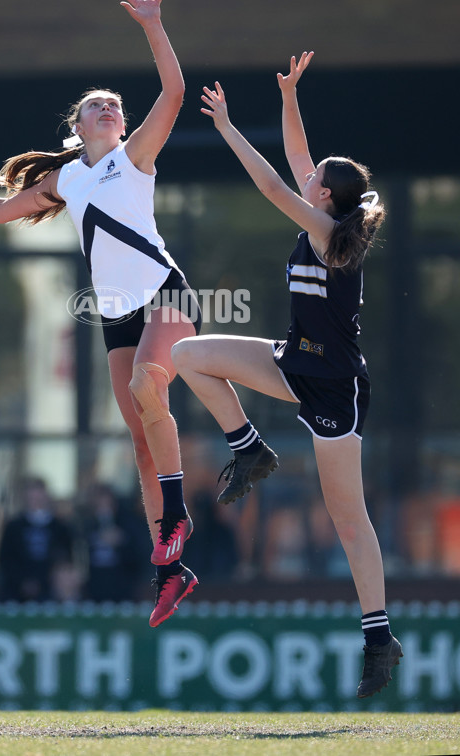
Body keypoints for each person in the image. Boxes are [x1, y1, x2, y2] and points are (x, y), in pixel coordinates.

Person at [0, 0, 201, 627]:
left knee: (151, 392)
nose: (110, 111)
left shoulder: (135, 158)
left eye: (115, 107)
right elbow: (0, 210)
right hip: (118, 312)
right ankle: (172, 571)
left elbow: (174, 93)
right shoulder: (66, 178)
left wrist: (153, 25)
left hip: (164, 293)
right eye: (98, 106)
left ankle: (177, 520)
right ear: (77, 125)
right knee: (140, 443)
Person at [171, 52, 403, 698]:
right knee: (190, 356)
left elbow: (275, 185)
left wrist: (226, 127)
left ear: (325, 195)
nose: (310, 175)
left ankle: (379, 640)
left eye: (318, 178)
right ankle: (251, 450)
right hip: (294, 356)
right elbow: (298, 158)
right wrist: (289, 94)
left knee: (347, 518)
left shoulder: (329, 233)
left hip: (334, 384)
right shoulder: (322, 209)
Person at [0, 476, 75, 602]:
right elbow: (5, 559)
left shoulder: (60, 528)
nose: (36, 500)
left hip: (50, 594)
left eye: (39, 495)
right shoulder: (14, 527)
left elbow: (66, 560)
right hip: (16, 594)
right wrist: (22, 581)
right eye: (32, 496)